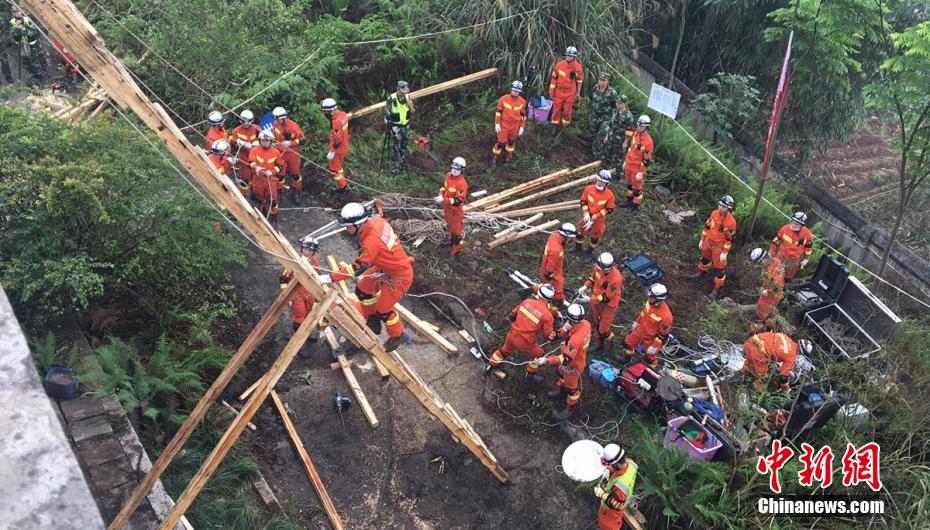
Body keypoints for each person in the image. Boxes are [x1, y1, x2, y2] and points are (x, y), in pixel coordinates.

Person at [318, 203, 415, 352]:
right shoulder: (376, 221)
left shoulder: (371, 241)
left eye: (348, 226)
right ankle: (372, 318)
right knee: (363, 290)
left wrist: (330, 278)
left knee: (384, 308)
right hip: (384, 267)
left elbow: (356, 269)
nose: (346, 229)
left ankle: (397, 335)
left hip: (399, 275)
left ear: (358, 224)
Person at [485, 284, 559, 380]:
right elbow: (548, 336)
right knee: (540, 355)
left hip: (511, 335)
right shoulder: (547, 316)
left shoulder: (527, 302)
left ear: (538, 293)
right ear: (550, 299)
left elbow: (512, 315)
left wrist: (518, 326)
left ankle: (489, 367)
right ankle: (530, 375)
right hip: (525, 343)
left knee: (503, 352)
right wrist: (557, 334)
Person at [534, 303, 590, 420]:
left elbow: (565, 359)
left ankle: (569, 409)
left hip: (573, 366)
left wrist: (547, 360)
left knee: (572, 389)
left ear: (570, 318)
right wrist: (564, 330)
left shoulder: (575, 340)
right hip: (573, 357)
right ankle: (560, 392)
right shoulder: (586, 324)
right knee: (560, 374)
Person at [279, 238, 327, 356]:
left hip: (309, 293)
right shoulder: (293, 262)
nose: (307, 252)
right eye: (306, 249)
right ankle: (299, 345)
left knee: (307, 316)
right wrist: (286, 295)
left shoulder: (314, 261)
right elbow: (283, 279)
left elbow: (315, 276)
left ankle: (306, 335)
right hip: (297, 295)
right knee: (299, 319)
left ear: (314, 252)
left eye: (311, 250)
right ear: (301, 249)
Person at [689, 195, 737, 299]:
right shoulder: (714, 213)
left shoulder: (731, 222)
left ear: (728, 208)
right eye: (720, 205)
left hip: (719, 247)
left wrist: (724, 252)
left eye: (723, 206)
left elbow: (729, 239)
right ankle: (700, 274)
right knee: (705, 259)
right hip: (708, 241)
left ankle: (716, 291)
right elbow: (707, 226)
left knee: (720, 270)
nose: (720, 207)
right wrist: (702, 239)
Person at [577, 252, 623, 354]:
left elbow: (606, 298)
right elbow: (592, 279)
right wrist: (585, 286)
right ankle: (598, 344)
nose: (597, 267)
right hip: (596, 300)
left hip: (608, 305)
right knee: (597, 322)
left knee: (603, 329)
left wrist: (589, 300)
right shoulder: (598, 268)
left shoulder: (616, 279)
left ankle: (609, 344)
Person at [741, 332, 813, 392]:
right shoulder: (791, 356)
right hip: (757, 352)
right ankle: (754, 393)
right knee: (762, 378)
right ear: (801, 352)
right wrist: (785, 389)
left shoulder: (786, 337)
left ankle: (741, 376)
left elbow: (773, 347)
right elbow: (783, 376)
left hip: (750, 342)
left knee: (751, 363)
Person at [623, 283, 673, 369]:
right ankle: (626, 362)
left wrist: (654, 347)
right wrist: (636, 322)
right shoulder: (650, 302)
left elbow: (662, 335)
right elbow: (643, 313)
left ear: (659, 300)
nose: (649, 298)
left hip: (651, 339)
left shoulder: (666, 316)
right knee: (627, 344)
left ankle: (647, 370)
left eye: (651, 297)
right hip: (640, 330)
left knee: (649, 359)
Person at [574, 170, 616, 261]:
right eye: (598, 181)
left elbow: (610, 209)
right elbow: (583, 202)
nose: (599, 183)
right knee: (581, 230)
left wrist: (597, 215)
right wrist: (585, 212)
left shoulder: (609, 195)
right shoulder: (588, 189)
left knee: (595, 236)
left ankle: (589, 252)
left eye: (602, 182)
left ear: (606, 184)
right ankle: (578, 247)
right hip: (587, 216)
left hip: (598, 220)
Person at [594, 444, 638, 530]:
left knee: (608, 526)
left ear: (616, 464)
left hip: (610, 514)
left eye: (611, 464)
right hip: (623, 500)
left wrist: (601, 494)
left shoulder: (620, 487)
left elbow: (617, 505)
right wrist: (609, 470)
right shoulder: (631, 463)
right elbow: (619, 465)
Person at [435, 157, 469, 260]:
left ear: (462, 170)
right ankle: (450, 242)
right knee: (450, 228)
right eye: (453, 167)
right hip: (447, 210)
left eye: (457, 168)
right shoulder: (448, 176)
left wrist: (444, 200)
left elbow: (458, 200)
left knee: (456, 235)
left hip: (455, 212)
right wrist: (440, 194)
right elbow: (443, 187)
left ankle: (456, 252)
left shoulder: (462, 184)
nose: (454, 170)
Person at [248, 129, 282, 224]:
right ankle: (261, 211)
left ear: (271, 141)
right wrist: (256, 167)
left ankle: (273, 217)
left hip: (270, 180)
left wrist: (272, 171)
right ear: (259, 141)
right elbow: (251, 162)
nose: (265, 143)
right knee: (259, 197)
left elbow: (280, 166)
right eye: (263, 141)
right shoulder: (254, 150)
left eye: (267, 141)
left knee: (273, 200)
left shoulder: (276, 153)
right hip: (258, 179)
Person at [271, 106, 305, 201]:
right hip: (281, 153)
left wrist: (291, 143)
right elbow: (275, 137)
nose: (276, 121)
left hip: (293, 154)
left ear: (283, 118)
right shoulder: (275, 125)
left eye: (278, 119)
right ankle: (278, 193)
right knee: (280, 175)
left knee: (295, 175)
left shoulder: (293, 126)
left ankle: (296, 192)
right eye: (275, 119)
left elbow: (303, 140)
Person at [622, 115, 654, 215]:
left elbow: (646, 160)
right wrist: (625, 161)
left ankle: (635, 207)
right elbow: (631, 149)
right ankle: (629, 200)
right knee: (629, 184)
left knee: (637, 189)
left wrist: (641, 172)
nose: (638, 128)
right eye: (638, 126)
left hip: (637, 168)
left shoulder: (648, 142)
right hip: (629, 164)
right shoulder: (635, 134)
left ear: (646, 127)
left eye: (641, 126)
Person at [491, 81, 527, 167]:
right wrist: (497, 124)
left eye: (517, 91)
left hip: (515, 125)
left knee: (511, 142)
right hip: (504, 124)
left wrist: (522, 127)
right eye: (514, 90)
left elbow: (523, 115)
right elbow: (498, 112)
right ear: (511, 89)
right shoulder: (503, 99)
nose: (515, 92)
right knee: (500, 143)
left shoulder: (522, 102)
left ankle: (509, 156)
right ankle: (494, 158)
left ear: (520, 92)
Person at [769, 212, 814, 280]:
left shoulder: (807, 234)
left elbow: (808, 248)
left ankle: (780, 287)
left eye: (797, 224)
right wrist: (771, 251)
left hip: (793, 261)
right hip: (781, 256)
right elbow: (775, 241)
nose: (793, 225)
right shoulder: (785, 229)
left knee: (786, 277)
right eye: (793, 222)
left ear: (802, 225)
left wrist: (806, 259)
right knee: (774, 272)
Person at [548, 46, 583, 133]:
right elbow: (553, 79)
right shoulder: (559, 65)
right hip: (559, 92)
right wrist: (551, 91)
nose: (568, 57)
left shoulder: (578, 68)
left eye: (570, 56)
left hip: (570, 93)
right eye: (567, 55)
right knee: (556, 110)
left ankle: (565, 126)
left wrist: (578, 93)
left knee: (567, 111)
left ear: (574, 57)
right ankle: (554, 125)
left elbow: (579, 81)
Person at [540, 223, 577, 305]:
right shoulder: (556, 250)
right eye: (570, 239)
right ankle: (554, 305)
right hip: (553, 275)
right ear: (565, 236)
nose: (570, 241)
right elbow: (549, 271)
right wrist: (554, 280)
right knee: (558, 295)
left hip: (551, 267)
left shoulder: (554, 236)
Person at [384, 80, 415, 174]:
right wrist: (388, 124)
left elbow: (412, 112)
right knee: (396, 147)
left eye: (405, 91)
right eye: (403, 91)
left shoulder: (408, 97)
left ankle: (402, 163)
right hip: (396, 126)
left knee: (404, 145)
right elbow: (386, 112)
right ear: (398, 89)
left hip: (406, 126)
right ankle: (396, 167)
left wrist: (411, 107)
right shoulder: (391, 98)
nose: (404, 93)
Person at [321, 98, 351, 194]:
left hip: (337, 150)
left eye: (325, 111)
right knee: (339, 168)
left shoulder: (336, 122)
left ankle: (344, 189)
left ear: (330, 111)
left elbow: (337, 140)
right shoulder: (343, 115)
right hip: (343, 147)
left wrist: (332, 152)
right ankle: (342, 187)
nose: (325, 114)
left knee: (334, 171)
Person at [9, 8, 46, 81]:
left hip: (33, 45)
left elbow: (34, 32)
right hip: (21, 45)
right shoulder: (12, 21)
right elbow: (12, 33)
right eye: (14, 12)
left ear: (21, 11)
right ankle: (34, 78)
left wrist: (24, 29)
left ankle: (43, 77)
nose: (16, 13)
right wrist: (17, 29)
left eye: (17, 11)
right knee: (26, 62)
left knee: (38, 61)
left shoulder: (27, 19)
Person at [229, 110, 260, 196]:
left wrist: (256, 144)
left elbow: (263, 140)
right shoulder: (236, 131)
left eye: (247, 123)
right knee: (244, 179)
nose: (245, 124)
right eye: (243, 122)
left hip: (255, 158)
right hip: (244, 159)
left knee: (256, 178)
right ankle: (243, 195)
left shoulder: (257, 129)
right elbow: (234, 142)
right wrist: (237, 142)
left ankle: (255, 194)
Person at [600, 95, 635, 171]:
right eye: (617, 102)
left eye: (620, 103)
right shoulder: (615, 112)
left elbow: (630, 131)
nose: (617, 104)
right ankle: (605, 171)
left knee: (618, 159)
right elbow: (611, 125)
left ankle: (617, 175)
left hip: (620, 141)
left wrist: (625, 142)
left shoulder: (628, 116)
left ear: (625, 104)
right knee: (607, 155)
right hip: (611, 138)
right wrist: (607, 136)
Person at [753, 256, 787, 334]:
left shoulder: (775, 267)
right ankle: (769, 331)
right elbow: (768, 281)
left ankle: (760, 332)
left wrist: (766, 291)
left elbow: (776, 284)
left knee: (762, 312)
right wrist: (763, 288)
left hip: (773, 295)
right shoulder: (770, 263)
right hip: (771, 293)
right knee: (770, 313)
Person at [590, 73, 618, 161]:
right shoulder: (595, 88)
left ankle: (600, 156)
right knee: (593, 135)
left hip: (605, 119)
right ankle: (593, 153)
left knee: (601, 136)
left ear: (608, 81)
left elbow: (616, 107)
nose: (601, 82)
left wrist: (612, 120)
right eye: (600, 80)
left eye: (604, 80)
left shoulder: (612, 93)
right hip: (594, 116)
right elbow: (593, 100)